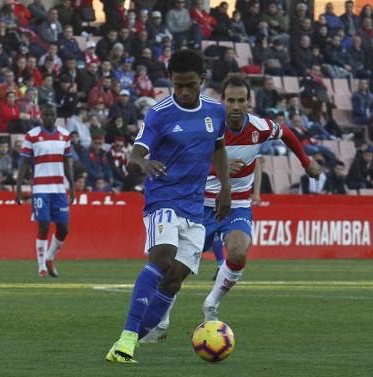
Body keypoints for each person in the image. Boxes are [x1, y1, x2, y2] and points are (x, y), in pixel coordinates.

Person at [138, 75, 322, 344]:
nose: (235, 106)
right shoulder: (207, 125)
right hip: (199, 203)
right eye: (230, 100)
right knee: (175, 270)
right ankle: (160, 319)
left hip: (237, 204)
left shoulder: (260, 127)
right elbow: (188, 158)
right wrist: (219, 168)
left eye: (241, 100)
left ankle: (211, 305)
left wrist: (306, 163)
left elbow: (287, 133)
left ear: (249, 102)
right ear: (222, 101)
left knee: (238, 250)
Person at [105, 50, 231, 363]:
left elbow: (218, 149)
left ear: (202, 80)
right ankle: (127, 336)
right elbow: (135, 154)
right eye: (178, 86)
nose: (184, 92)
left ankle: (134, 341)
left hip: (195, 205)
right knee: (161, 257)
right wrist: (141, 162)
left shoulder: (216, 112)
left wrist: (226, 188)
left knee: (174, 279)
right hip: (163, 198)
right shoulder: (159, 113)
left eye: (190, 85)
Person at [15, 104, 75, 278]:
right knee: (44, 226)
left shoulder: (64, 135)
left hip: (59, 188)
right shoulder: (32, 136)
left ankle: (49, 257)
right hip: (40, 188)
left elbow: (67, 162)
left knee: (64, 229)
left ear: (56, 116)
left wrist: (72, 185)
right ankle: (41, 266)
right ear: (42, 116)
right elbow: (25, 163)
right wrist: (19, 188)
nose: (49, 117)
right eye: (46, 114)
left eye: (52, 114)